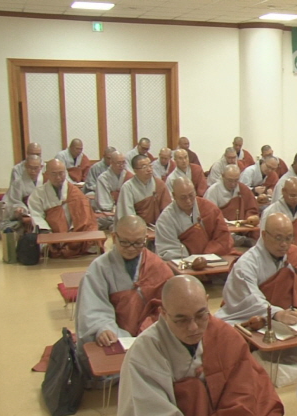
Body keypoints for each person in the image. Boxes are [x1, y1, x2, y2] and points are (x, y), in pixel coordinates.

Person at [100, 275, 290, 416]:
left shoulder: (224, 335)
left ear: (207, 302)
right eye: (181, 320)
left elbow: (246, 395)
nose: (193, 327)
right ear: (163, 313)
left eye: (200, 315)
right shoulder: (146, 350)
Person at [76, 215, 173, 364]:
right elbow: (92, 306)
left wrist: (147, 330)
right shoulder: (100, 267)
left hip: (150, 333)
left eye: (138, 243)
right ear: (114, 237)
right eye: (125, 243)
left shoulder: (156, 265)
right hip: (115, 334)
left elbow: (168, 306)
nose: (131, 248)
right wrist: (102, 328)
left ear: (146, 239)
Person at [216, 212, 297, 325]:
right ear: (264, 235)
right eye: (278, 238)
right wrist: (276, 314)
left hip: (287, 320)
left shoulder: (295, 255)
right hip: (247, 317)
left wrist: (296, 312)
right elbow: (249, 299)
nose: (284, 244)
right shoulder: (246, 264)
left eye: (289, 238)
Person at [27, 159, 98, 258]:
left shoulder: (74, 191)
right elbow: (36, 215)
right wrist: (47, 231)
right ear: (47, 174)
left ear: (65, 173)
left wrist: (74, 229)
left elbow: (83, 213)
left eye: (61, 173)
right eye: (54, 174)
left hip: (74, 230)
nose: (58, 177)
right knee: (41, 243)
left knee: (90, 236)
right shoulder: (38, 194)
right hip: (50, 232)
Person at [155, 177, 233, 260]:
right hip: (183, 262)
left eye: (191, 196)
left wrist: (205, 256)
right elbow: (168, 249)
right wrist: (191, 259)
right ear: (174, 196)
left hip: (212, 258)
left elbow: (223, 238)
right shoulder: (166, 219)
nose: (188, 201)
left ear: (195, 191)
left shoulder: (208, 208)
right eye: (183, 198)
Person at [116, 154, 172, 225]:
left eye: (150, 166)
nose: (149, 169)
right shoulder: (128, 187)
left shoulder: (159, 184)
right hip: (136, 227)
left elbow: (167, 209)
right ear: (135, 170)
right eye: (144, 167)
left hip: (157, 226)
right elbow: (128, 214)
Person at [94, 151, 133, 230]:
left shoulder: (128, 176)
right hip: (109, 212)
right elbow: (104, 202)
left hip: (125, 208)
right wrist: (114, 209)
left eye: (123, 163)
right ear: (111, 163)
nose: (121, 166)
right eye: (118, 163)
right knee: (102, 220)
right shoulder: (103, 178)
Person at [4, 154, 43, 221]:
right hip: (26, 210)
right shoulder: (18, 183)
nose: (33, 171)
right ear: (25, 166)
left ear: (41, 167)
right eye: (30, 167)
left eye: (36, 168)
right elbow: (14, 201)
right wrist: (20, 208)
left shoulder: (44, 179)